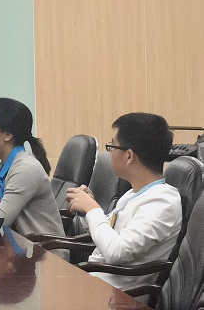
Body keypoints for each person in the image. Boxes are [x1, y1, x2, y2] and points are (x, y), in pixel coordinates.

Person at [66, 112, 181, 292]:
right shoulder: (135, 193)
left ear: (129, 156)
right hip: (97, 284)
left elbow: (116, 252)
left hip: (118, 296)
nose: (110, 153)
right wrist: (87, 210)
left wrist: (92, 209)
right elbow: (108, 233)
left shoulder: (162, 203)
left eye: (112, 146)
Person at [0, 98, 65, 237]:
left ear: (8, 135)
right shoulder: (8, 164)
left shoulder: (25, 169)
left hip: (44, 248)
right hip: (23, 244)